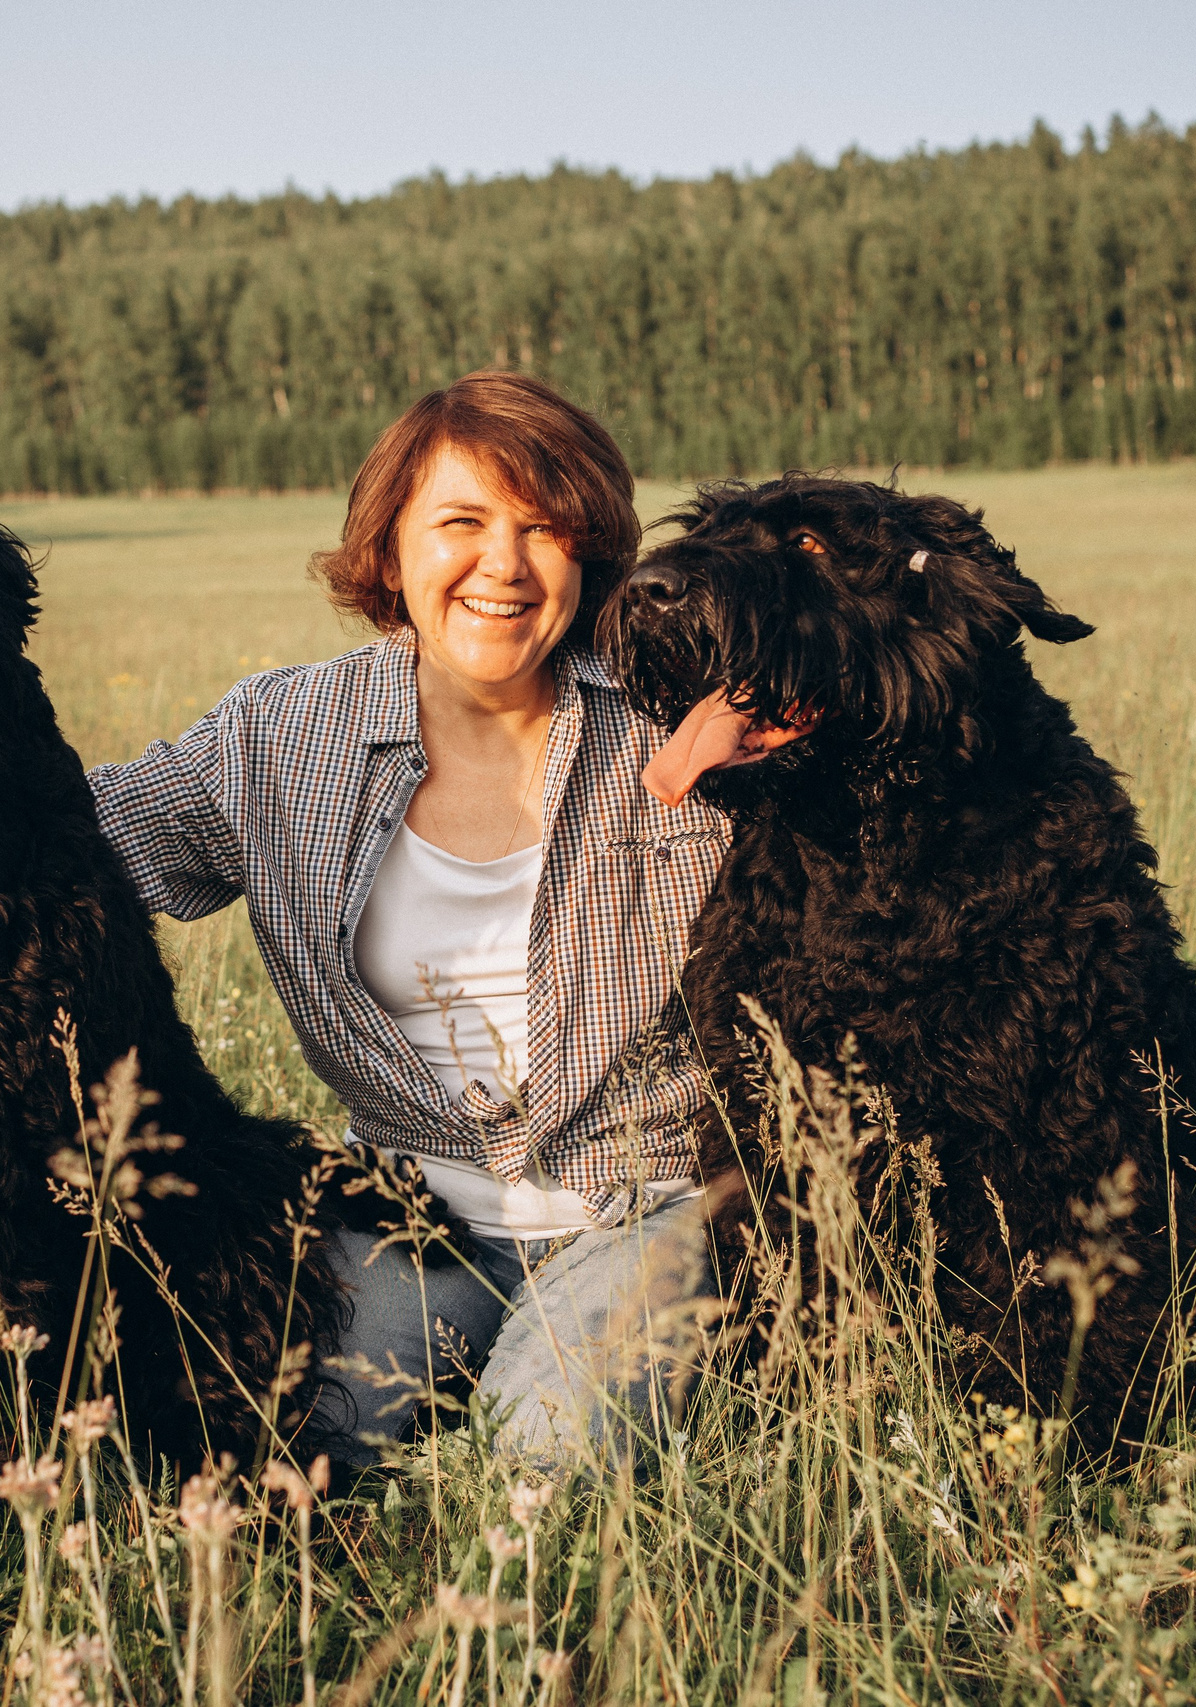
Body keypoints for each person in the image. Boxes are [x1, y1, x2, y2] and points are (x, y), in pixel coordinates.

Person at [87, 372, 728, 1469]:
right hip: (409, 1213)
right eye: (462, 523)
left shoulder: (677, 723)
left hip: (649, 1205)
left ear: (593, 559)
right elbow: (74, 845)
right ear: (389, 551)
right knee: (291, 1451)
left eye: (544, 529)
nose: (505, 566)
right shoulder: (281, 737)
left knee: (548, 1458)